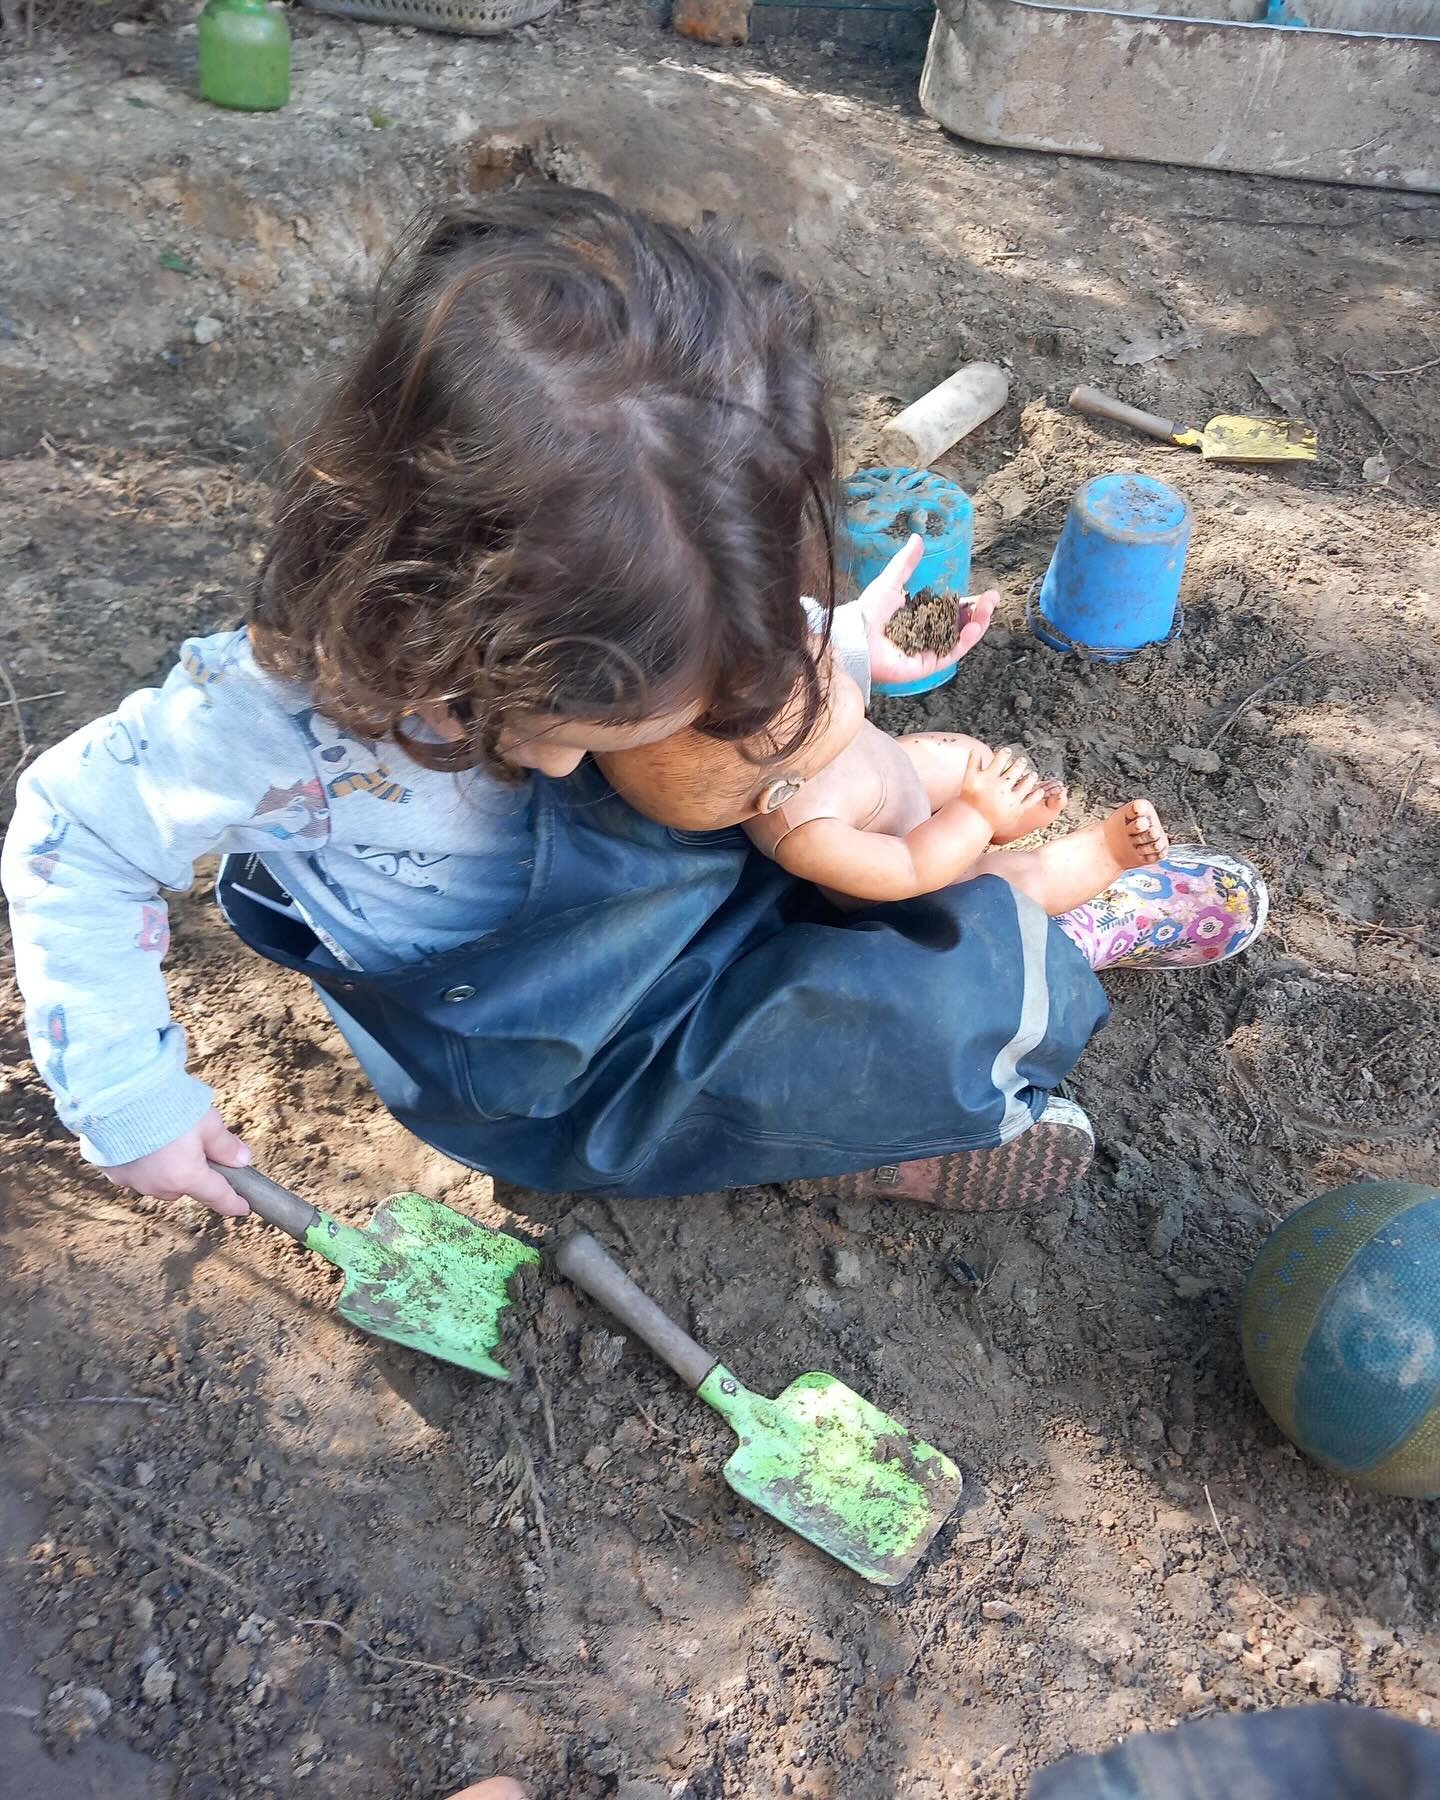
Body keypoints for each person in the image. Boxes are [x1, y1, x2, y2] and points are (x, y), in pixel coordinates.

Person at [1, 187, 1266, 1223]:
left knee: (837, 877)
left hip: (678, 900)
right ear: (449, 627)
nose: (563, 773)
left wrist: (838, 653)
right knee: (806, 1041)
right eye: (571, 736)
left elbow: (739, 639)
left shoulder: (687, 552)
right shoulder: (263, 725)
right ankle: (868, 1117)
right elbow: (69, 834)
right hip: (553, 1051)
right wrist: (128, 1099)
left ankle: (1014, 924)